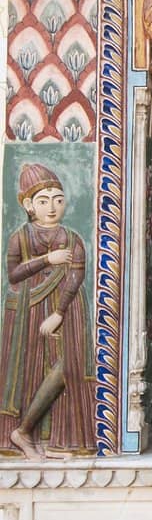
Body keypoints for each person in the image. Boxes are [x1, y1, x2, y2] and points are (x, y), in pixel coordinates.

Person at [0, 164, 95, 458]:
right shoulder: (20, 237)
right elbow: (14, 274)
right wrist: (47, 259)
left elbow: (77, 275)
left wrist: (60, 313)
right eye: (43, 200)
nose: (52, 207)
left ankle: (42, 435)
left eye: (58, 199)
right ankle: (26, 434)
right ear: (29, 205)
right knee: (30, 371)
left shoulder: (73, 238)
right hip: (28, 309)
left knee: (68, 366)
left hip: (66, 309)